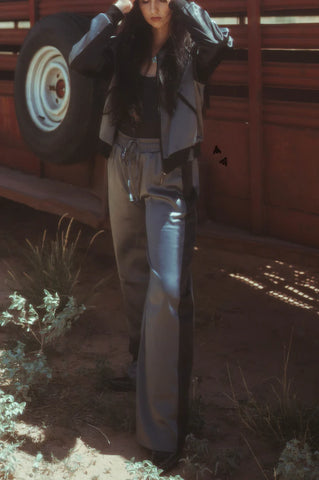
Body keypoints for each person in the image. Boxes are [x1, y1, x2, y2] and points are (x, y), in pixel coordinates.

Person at [69, 0, 232, 473]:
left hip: (169, 171)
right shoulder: (125, 39)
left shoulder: (192, 46)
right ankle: (142, 369)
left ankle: (162, 426)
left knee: (167, 287)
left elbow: (221, 42)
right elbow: (80, 59)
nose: (156, 6)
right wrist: (116, 10)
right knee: (134, 273)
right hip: (122, 161)